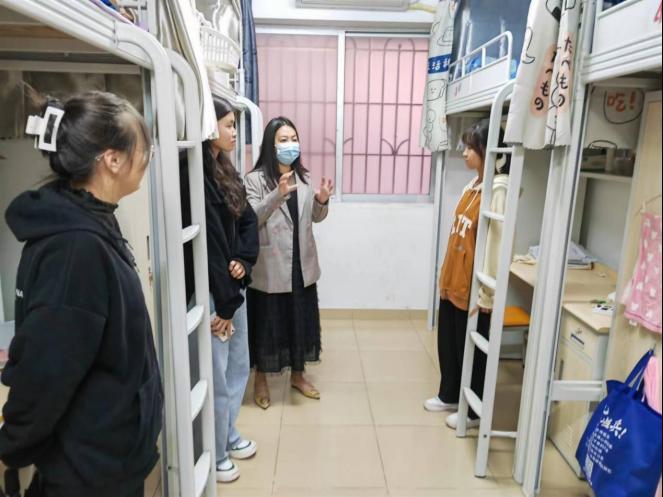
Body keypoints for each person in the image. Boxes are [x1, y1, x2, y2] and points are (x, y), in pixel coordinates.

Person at [0, 91, 161, 497]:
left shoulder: (91, 220)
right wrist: (9, 447)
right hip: (89, 470)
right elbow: (46, 369)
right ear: (112, 159)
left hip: (106, 454)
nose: (147, 157)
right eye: (143, 148)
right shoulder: (76, 249)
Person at [180, 98, 259, 483]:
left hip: (233, 286)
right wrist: (225, 305)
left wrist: (244, 259)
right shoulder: (192, 173)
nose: (233, 132)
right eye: (228, 125)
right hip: (214, 291)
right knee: (216, 375)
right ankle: (215, 451)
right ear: (209, 126)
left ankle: (227, 433)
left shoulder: (225, 169)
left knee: (238, 365)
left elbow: (248, 221)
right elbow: (207, 247)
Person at [424, 119, 511, 430]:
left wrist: (487, 293)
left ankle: (474, 412)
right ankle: (449, 394)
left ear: (490, 151)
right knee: (448, 343)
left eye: (471, 148)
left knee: (470, 350)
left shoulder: (499, 191)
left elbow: (497, 246)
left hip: (474, 288)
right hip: (454, 281)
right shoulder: (472, 187)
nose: (464, 153)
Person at [245, 117, 333, 409]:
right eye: (283, 140)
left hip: (301, 264)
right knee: (268, 323)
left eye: (293, 138)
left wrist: (321, 201)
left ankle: (298, 375)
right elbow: (251, 219)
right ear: (271, 146)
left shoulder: (303, 178)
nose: (290, 144)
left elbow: (314, 218)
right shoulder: (255, 179)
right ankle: (260, 379)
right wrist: (277, 195)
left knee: (299, 321)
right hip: (270, 266)